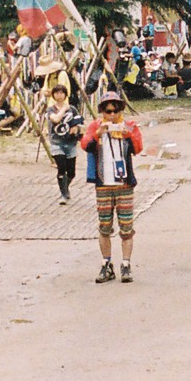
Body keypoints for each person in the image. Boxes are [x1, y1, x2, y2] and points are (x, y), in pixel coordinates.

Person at [81, 90, 145, 283]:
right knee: (104, 226)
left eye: (115, 110)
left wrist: (129, 135)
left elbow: (138, 148)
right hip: (103, 184)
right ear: (102, 111)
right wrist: (97, 135)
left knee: (126, 227)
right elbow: (85, 145)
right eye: (108, 111)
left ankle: (126, 264)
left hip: (124, 183)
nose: (111, 115)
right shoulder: (95, 126)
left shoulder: (129, 126)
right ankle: (106, 263)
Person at [44, 84, 84, 204]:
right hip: (57, 142)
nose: (59, 95)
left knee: (71, 172)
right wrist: (63, 109)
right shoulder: (50, 109)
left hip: (70, 142)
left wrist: (75, 128)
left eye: (61, 93)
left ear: (65, 94)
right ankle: (64, 194)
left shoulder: (72, 109)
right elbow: (55, 119)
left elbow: (79, 121)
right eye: (56, 93)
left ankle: (65, 187)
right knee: (61, 168)